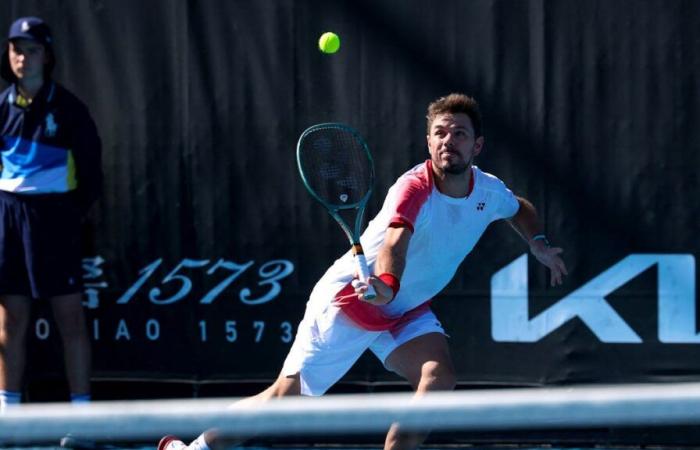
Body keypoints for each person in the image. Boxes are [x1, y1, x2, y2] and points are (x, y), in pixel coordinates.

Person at [159, 93, 567, 450]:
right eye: (440, 133)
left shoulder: (488, 190)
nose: (449, 141)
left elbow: (520, 208)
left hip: (404, 307)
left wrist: (538, 244)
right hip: (356, 297)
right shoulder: (412, 189)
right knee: (284, 398)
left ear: (476, 145)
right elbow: (395, 243)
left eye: (459, 133)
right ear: (429, 143)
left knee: (437, 379)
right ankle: (195, 447)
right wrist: (386, 286)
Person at [0, 16, 102, 409]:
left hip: (55, 221)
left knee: (70, 320)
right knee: (11, 323)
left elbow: (91, 175)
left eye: (32, 51)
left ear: (47, 57)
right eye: (16, 50)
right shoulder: (2, 109)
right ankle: (8, 417)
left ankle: (83, 418)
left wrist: (65, 216)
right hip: (9, 223)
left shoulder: (70, 110)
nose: (23, 59)